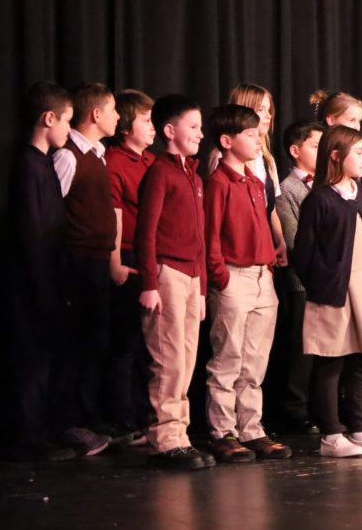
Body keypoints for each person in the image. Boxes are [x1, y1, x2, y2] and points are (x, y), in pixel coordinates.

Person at [292, 125, 362, 457]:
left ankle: (359, 429)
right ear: (336, 156)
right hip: (332, 291)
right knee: (331, 361)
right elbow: (303, 253)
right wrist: (322, 285)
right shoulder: (320, 200)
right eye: (359, 153)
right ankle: (331, 434)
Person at [9, 83, 102, 460]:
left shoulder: (44, 163)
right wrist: (47, 287)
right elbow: (33, 233)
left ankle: (50, 427)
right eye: (65, 121)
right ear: (48, 119)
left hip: (53, 279)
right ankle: (30, 435)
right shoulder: (28, 166)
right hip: (34, 285)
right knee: (33, 360)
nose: (68, 130)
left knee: (52, 357)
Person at [203, 104, 291, 463]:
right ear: (227, 140)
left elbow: (260, 227)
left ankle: (251, 428)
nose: (258, 139)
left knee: (254, 360)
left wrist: (269, 264)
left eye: (259, 132)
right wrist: (220, 275)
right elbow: (209, 234)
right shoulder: (218, 182)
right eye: (251, 134)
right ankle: (222, 431)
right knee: (228, 357)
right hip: (232, 276)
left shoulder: (255, 182)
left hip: (261, 277)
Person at [135, 94, 214, 469]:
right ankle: (165, 438)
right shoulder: (160, 172)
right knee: (167, 359)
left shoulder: (193, 176)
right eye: (193, 127)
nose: (201, 134)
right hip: (166, 273)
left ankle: (180, 433)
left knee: (186, 359)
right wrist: (149, 283)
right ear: (169, 130)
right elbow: (145, 233)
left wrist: (200, 289)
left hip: (190, 276)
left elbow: (198, 237)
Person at [52, 82, 120, 437]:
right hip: (76, 263)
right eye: (113, 110)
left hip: (98, 261)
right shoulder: (68, 156)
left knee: (96, 342)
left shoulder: (98, 154)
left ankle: (89, 415)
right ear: (96, 114)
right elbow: (53, 213)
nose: (118, 117)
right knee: (75, 343)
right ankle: (69, 421)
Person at [104, 89, 156, 442]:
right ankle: (124, 420)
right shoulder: (114, 162)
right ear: (125, 127)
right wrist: (116, 263)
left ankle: (146, 415)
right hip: (127, 257)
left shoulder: (152, 162)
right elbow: (114, 218)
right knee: (125, 344)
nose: (153, 127)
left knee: (149, 346)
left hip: (152, 259)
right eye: (146, 121)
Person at [276, 120, 326, 433]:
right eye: (315, 146)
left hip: (329, 281)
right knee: (302, 350)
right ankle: (296, 409)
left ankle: (324, 407)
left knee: (325, 349)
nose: (322, 153)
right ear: (296, 151)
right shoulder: (287, 190)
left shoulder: (324, 184)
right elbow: (295, 242)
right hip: (303, 282)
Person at [208, 84, 288, 267]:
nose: (268, 116)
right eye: (261, 110)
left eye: (269, 110)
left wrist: (280, 240)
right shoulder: (222, 158)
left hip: (264, 250)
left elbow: (271, 206)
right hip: (239, 254)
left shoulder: (266, 158)